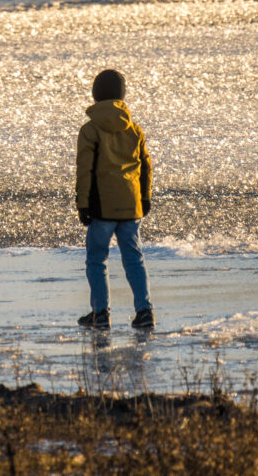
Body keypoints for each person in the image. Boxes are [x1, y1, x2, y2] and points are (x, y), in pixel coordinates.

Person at [75, 69, 154, 329]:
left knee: (97, 259)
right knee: (134, 258)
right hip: (131, 207)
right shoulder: (134, 130)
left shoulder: (90, 130)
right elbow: (145, 166)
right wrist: (145, 197)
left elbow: (85, 170)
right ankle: (144, 311)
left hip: (102, 208)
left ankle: (100, 313)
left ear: (95, 96)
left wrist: (83, 204)